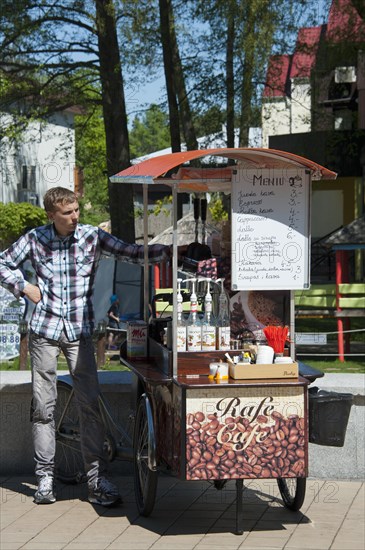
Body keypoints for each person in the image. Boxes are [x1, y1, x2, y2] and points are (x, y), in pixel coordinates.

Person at [0, 186, 170, 507]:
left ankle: (95, 479)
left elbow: (130, 252)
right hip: (45, 332)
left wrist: (169, 250)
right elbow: (2, 263)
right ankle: (45, 478)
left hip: (80, 332)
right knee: (43, 407)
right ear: (52, 215)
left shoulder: (92, 236)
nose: (75, 216)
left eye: (76, 210)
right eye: (68, 213)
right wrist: (24, 286)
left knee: (89, 403)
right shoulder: (35, 239)